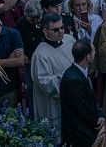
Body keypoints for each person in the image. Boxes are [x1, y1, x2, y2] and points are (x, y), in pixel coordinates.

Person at [31, 12, 76, 145]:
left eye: (62, 27)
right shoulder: (40, 54)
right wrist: (70, 78)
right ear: (45, 31)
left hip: (72, 99)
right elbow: (45, 83)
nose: (61, 31)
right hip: (53, 104)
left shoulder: (69, 40)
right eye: (56, 29)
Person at [60, 38, 105, 147]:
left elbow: (92, 98)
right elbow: (82, 108)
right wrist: (97, 121)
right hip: (79, 133)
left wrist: (100, 114)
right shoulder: (73, 79)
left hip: (86, 129)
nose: (95, 53)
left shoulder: (80, 72)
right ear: (88, 56)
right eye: (93, 51)